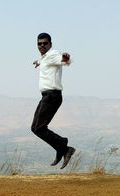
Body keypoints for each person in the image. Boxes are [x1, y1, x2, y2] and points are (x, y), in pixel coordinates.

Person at [31, 32, 75, 169]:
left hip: (52, 96)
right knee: (35, 128)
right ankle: (61, 148)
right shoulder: (45, 58)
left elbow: (64, 61)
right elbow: (46, 61)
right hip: (47, 96)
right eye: (39, 43)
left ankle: (64, 147)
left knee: (39, 128)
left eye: (45, 43)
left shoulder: (53, 54)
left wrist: (66, 59)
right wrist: (39, 62)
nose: (42, 45)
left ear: (50, 44)